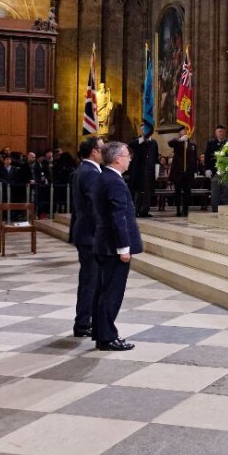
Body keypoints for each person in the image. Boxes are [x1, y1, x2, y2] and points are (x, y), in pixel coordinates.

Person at [91, 141, 141, 351]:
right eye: (127, 155)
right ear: (118, 158)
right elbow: (118, 217)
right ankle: (107, 336)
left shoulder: (105, 177)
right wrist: (124, 248)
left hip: (104, 243)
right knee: (112, 293)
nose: (130, 159)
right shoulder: (114, 181)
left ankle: (101, 332)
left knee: (103, 291)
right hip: (113, 247)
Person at [69, 136, 104, 339]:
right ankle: (82, 323)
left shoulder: (85, 169)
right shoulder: (90, 172)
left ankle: (84, 320)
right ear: (94, 152)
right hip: (90, 234)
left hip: (85, 232)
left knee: (89, 279)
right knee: (90, 281)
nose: (104, 151)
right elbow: (94, 205)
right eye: (101, 148)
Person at [168, 126, 197, 217]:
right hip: (178, 172)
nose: (185, 132)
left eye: (187, 130)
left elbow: (194, 159)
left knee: (187, 192)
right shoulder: (177, 142)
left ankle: (186, 210)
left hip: (188, 173)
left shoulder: (192, 145)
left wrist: (194, 171)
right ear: (180, 132)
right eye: (183, 130)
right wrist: (180, 140)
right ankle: (178, 209)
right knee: (178, 192)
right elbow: (170, 143)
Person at [204, 125, 228, 211]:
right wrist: (207, 169)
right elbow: (207, 157)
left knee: (225, 192)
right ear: (216, 133)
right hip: (215, 171)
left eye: (222, 131)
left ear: (224, 133)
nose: (221, 133)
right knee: (215, 192)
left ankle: (224, 210)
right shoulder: (211, 143)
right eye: (219, 131)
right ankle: (215, 210)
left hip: (225, 171)